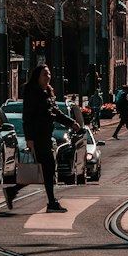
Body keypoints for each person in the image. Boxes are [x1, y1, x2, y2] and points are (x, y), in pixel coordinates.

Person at [18, 64, 81, 213]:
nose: (48, 77)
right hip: (38, 136)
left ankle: (13, 191)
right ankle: (51, 202)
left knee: (46, 169)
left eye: (49, 74)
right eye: (44, 74)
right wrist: (29, 138)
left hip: (46, 136)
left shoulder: (48, 92)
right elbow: (27, 117)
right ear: (37, 77)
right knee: (47, 168)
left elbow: (56, 113)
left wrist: (71, 123)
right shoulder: (32, 92)